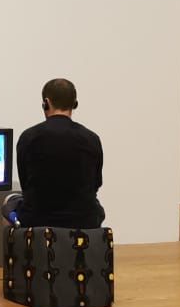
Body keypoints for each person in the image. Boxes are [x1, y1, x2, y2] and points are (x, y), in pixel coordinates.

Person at [6, 78, 105, 228]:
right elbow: (96, 184)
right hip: (85, 221)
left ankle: (18, 244)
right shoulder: (92, 138)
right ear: (75, 104)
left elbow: (25, 185)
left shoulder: (28, 137)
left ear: (46, 103)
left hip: (37, 220)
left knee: (8, 203)